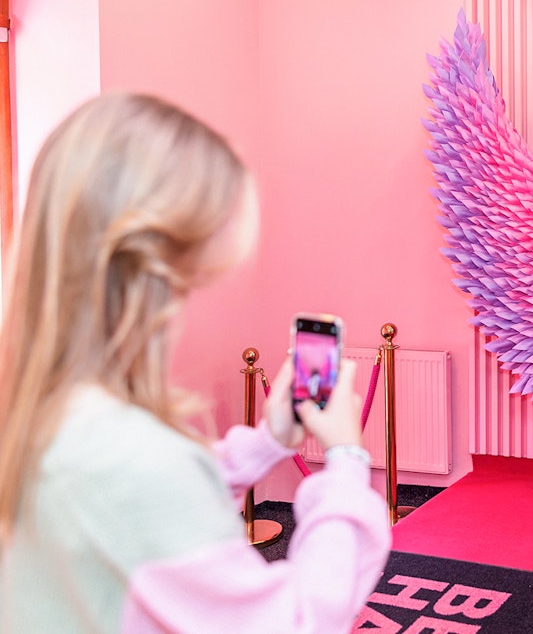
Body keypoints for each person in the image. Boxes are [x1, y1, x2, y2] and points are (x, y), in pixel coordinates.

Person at [0, 93, 391, 632]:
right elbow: (299, 622)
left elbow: (150, 499)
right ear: (155, 274)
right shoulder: (130, 458)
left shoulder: (42, 412)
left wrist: (269, 439)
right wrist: (346, 458)